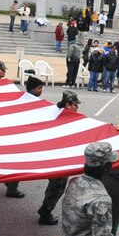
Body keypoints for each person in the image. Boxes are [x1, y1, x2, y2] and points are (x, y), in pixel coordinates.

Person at [37, 91, 82, 225]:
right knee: (57, 186)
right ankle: (45, 212)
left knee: (55, 186)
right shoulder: (62, 116)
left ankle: (45, 209)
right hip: (57, 158)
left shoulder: (56, 112)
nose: (77, 108)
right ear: (68, 105)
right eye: (75, 105)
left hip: (55, 156)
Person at [4, 77, 44, 199]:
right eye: (39, 88)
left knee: (14, 162)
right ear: (32, 89)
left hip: (16, 137)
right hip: (21, 138)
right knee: (17, 164)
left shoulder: (24, 99)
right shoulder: (31, 102)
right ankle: (12, 188)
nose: (41, 90)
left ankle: (10, 182)